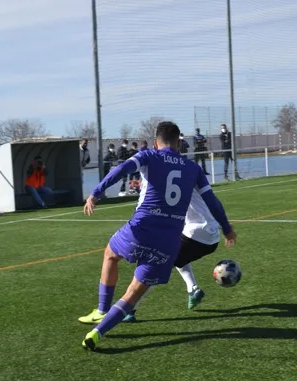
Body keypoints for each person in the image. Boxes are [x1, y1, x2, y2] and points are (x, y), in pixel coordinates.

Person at [77, 121, 235, 351]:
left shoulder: (148, 155)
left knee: (110, 254)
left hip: (141, 228)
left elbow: (121, 169)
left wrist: (96, 192)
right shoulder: (194, 169)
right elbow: (213, 202)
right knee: (133, 293)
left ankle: (102, 310)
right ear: (179, 142)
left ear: (155, 142)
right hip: (170, 240)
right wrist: (227, 228)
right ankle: (96, 333)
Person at [123, 179, 236, 322]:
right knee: (177, 257)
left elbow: (162, 198)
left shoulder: (178, 176)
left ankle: (130, 309)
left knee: (155, 265)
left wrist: (142, 188)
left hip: (195, 235)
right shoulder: (192, 175)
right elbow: (212, 202)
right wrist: (225, 227)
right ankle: (193, 289)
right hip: (211, 238)